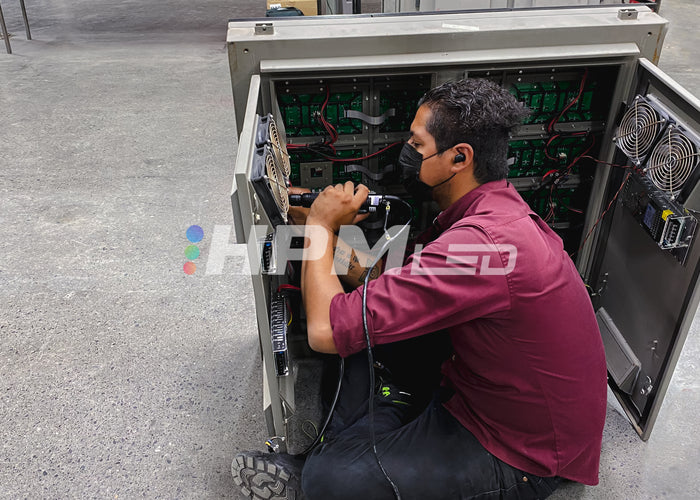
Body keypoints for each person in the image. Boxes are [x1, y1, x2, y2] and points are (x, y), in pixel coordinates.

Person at [232, 78, 607, 500]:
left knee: (329, 480)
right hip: (474, 382)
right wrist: (317, 225)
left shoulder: (482, 245)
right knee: (360, 339)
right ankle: (380, 424)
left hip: (521, 454)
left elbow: (324, 333)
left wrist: (320, 225)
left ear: (458, 157)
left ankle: (327, 462)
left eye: (417, 143)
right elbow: (385, 282)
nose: (407, 153)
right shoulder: (491, 212)